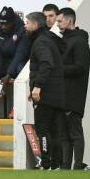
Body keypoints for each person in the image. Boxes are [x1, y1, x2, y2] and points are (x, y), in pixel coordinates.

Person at [25, 12, 65, 170]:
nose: (25, 26)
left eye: (27, 23)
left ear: (35, 25)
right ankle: (56, 165)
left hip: (46, 95)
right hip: (56, 93)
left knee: (43, 130)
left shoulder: (40, 42)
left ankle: (46, 164)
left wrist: (37, 86)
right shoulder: (50, 39)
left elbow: (47, 63)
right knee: (55, 131)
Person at [57, 7, 90, 170]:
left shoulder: (80, 41)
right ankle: (65, 168)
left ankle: (77, 167)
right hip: (62, 95)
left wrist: (58, 69)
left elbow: (81, 68)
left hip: (74, 95)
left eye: (60, 21)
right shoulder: (64, 40)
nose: (57, 24)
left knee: (75, 133)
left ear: (70, 21)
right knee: (63, 134)